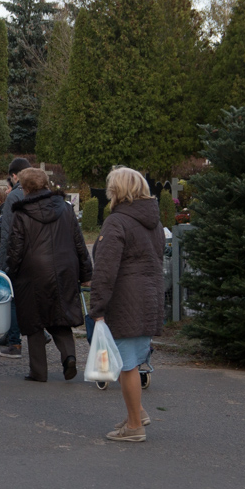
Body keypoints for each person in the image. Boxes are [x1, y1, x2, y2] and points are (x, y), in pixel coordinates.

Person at [90, 167, 165, 443]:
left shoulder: (117, 221)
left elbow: (106, 269)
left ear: (117, 190)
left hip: (125, 300)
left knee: (126, 364)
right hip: (149, 297)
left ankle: (134, 425)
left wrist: (97, 308)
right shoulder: (153, 222)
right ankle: (138, 412)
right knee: (129, 360)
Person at [5, 168, 92, 382]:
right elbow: (79, 243)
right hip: (65, 268)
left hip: (32, 271)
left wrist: (10, 272)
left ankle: (38, 371)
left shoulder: (22, 213)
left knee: (34, 320)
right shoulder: (65, 209)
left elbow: (15, 248)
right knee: (61, 316)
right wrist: (86, 272)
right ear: (46, 184)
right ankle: (69, 356)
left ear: (24, 188)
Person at [0, 157, 32, 357]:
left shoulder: (13, 197)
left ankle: (15, 342)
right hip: (36, 254)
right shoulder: (40, 193)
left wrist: (3, 264)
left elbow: (7, 231)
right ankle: (12, 335)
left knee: (12, 298)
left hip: (16, 254)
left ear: (15, 175)